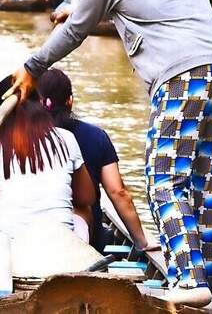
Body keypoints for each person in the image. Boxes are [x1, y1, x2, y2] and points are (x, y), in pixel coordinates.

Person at [7, 0, 212, 307]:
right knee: (206, 184)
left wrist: (32, 66)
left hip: (182, 75)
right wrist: (74, 7)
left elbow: (77, 29)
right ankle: (204, 283)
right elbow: (132, 0)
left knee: (163, 176)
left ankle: (188, 280)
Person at [36, 68, 150, 251]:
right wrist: (141, 242)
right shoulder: (96, 136)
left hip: (33, 234)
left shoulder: (22, 140)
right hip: (88, 239)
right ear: (70, 101)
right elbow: (117, 192)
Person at [0, 77, 99, 253]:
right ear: (41, 105)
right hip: (59, 246)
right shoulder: (66, 138)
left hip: (10, 245)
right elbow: (87, 198)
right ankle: (82, 258)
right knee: (84, 211)